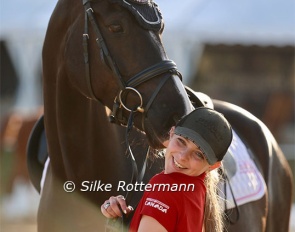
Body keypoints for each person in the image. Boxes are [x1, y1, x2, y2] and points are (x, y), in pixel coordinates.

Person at [101, 107, 233, 232]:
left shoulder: (164, 186)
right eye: (181, 141)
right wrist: (126, 220)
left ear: (213, 166)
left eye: (198, 154)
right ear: (171, 133)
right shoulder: (200, 193)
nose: (182, 157)